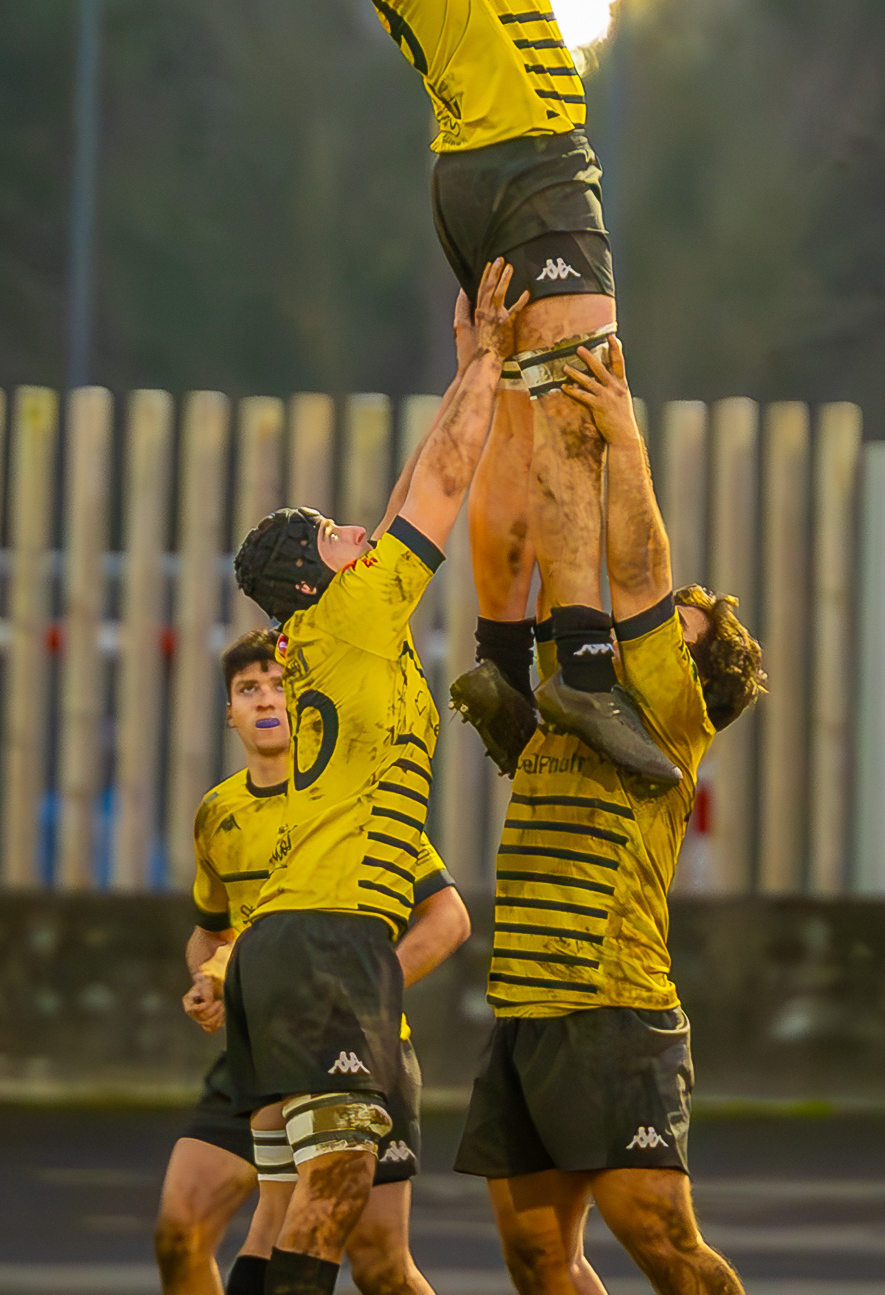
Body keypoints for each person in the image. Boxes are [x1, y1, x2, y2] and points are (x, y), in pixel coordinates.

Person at [268, 0, 671, 783]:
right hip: (526, 162)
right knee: (580, 416)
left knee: (508, 426)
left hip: (486, 170)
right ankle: (581, 666)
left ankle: (501, 655)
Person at [225, 258, 523, 1295]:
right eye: (338, 536)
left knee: (300, 1206)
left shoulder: (336, 623)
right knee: (338, 1190)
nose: (363, 531)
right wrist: (490, 361)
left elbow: (407, 488)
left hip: (294, 939)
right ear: (318, 576)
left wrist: (460, 372)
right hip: (327, 935)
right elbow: (437, 488)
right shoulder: (351, 614)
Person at [453, 337, 766, 1295]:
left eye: (681, 626)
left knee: (664, 1245)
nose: (657, 620)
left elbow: (633, 567)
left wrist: (624, 442)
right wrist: (502, 384)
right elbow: (526, 543)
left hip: (613, 1013)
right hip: (526, 1012)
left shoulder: (670, 715)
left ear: (697, 674)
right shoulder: (574, 697)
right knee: (539, 1258)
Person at [155, 629, 470, 1295]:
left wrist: (362, 993)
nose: (266, 699)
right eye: (248, 689)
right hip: (257, 1047)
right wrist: (206, 982)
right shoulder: (217, 812)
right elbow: (209, 931)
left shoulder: (354, 802)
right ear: (229, 712)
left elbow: (448, 918)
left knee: (379, 1260)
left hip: (351, 1041)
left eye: (278, 684)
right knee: (180, 1231)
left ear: (305, 703)